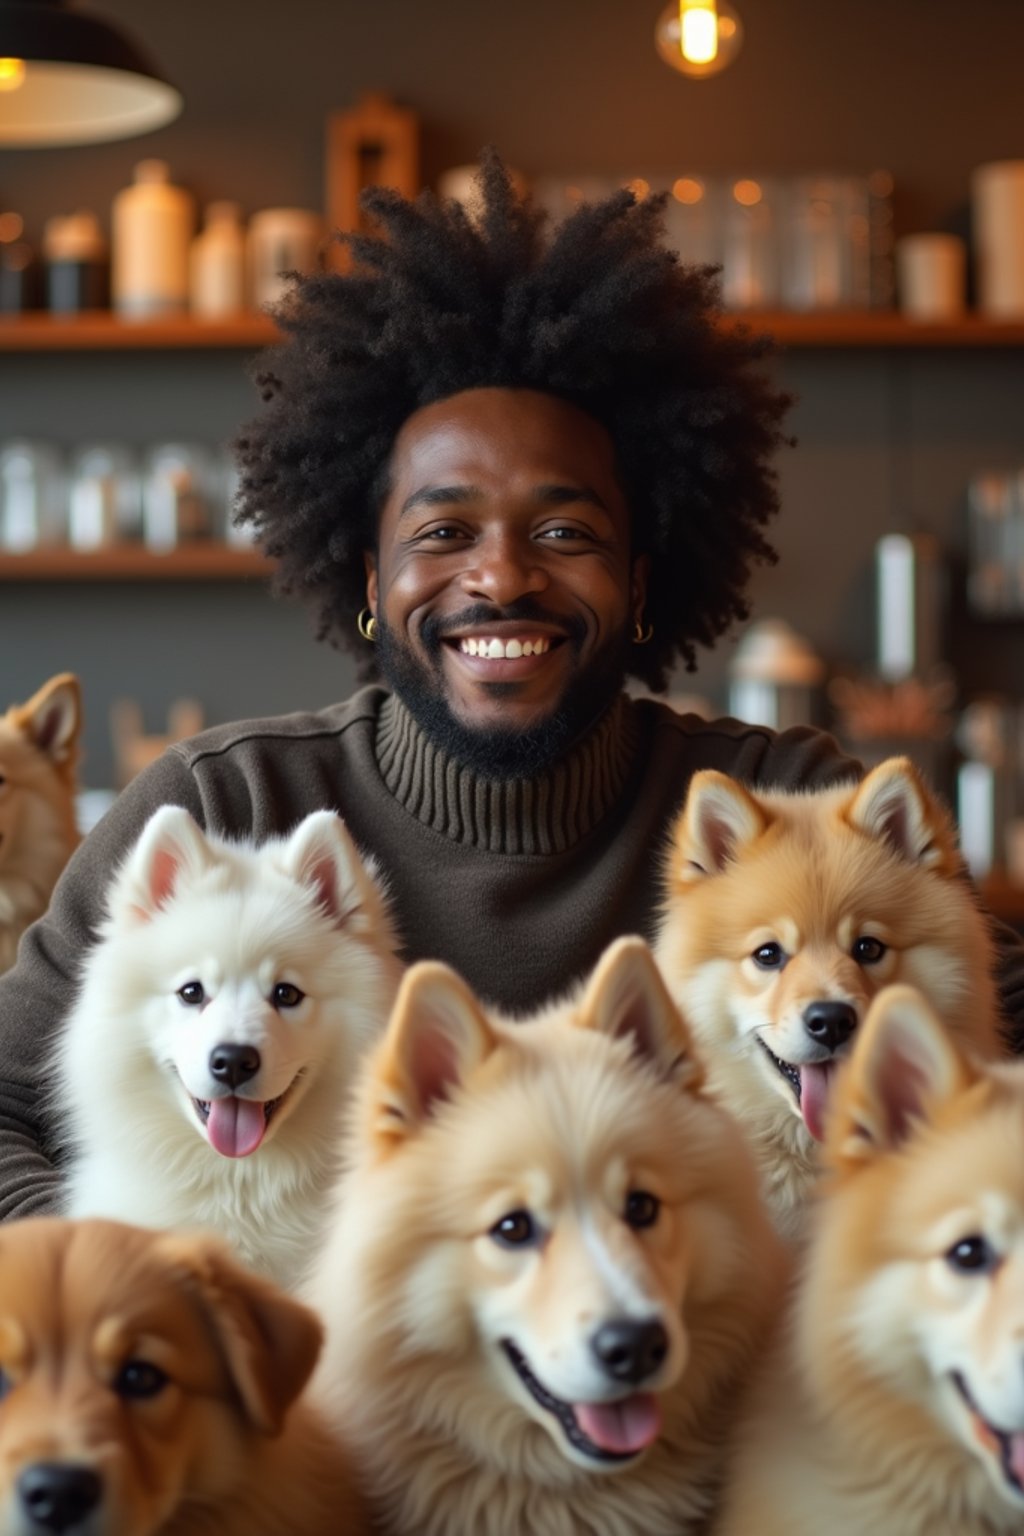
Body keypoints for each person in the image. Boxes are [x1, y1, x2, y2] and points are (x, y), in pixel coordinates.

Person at [2, 153, 1021, 1219]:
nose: (500, 577)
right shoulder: (225, 807)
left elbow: (990, 1038)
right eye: (443, 532)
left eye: (562, 532)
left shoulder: (782, 806)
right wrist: (145, 1294)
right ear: (368, 579)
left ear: (639, 584)